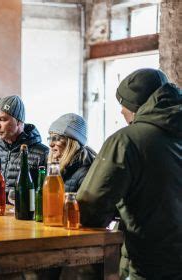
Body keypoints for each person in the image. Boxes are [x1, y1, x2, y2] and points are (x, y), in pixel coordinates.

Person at [77, 68, 182, 279]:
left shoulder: (126, 140)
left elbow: (91, 207)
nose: (121, 112)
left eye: (122, 105)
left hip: (148, 265)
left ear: (135, 106)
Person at [0, 95, 48, 194]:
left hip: (24, 209)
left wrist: (6, 195)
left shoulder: (43, 153)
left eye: (3, 119)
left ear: (18, 122)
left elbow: (46, 193)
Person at [47, 113, 96, 192]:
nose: (51, 144)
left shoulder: (85, 173)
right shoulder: (61, 168)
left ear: (71, 143)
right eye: (50, 138)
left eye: (57, 138)